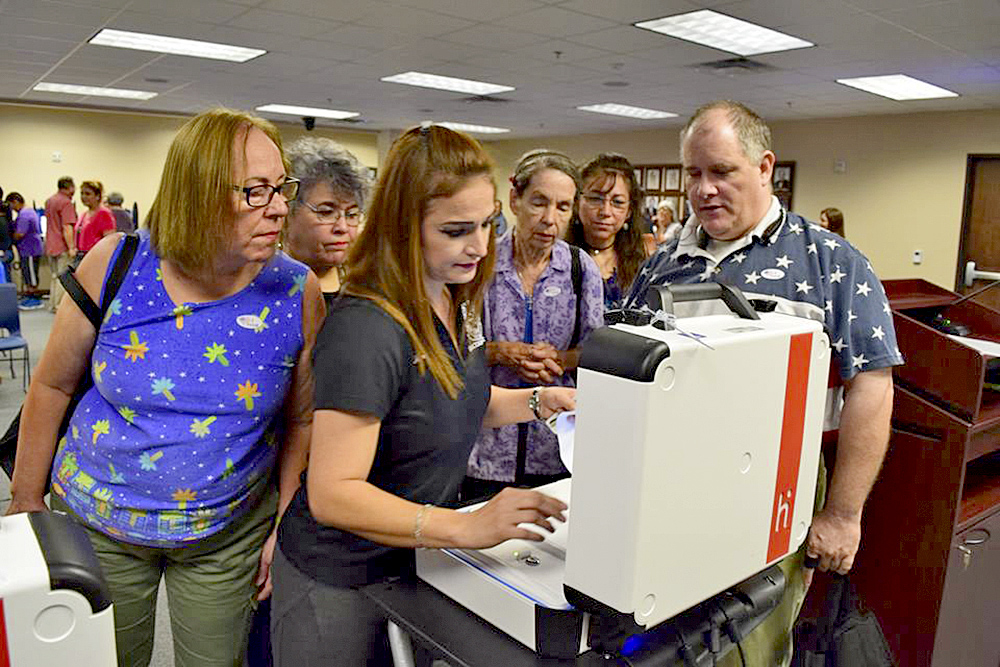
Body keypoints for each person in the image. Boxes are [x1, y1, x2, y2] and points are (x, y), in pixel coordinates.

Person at [6, 108, 324, 667]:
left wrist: (285, 522)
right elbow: (52, 386)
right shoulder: (118, 262)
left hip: (224, 535)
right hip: (98, 523)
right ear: (196, 194)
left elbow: (302, 419)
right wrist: (26, 502)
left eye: (281, 188)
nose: (278, 206)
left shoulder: (296, 290)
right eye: (255, 191)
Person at [271, 125, 574, 667]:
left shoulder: (452, 297)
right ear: (404, 227)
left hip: (410, 560)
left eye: (487, 225)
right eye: (456, 230)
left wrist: (536, 402)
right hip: (340, 572)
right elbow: (334, 493)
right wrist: (465, 527)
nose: (480, 247)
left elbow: (451, 404)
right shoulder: (366, 328)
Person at [624, 100, 901, 667]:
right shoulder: (664, 264)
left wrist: (844, 515)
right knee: (662, 642)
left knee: (747, 647)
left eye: (721, 171)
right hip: (668, 483)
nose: (704, 190)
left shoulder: (829, 261)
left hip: (776, 485)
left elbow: (871, 387)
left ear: (764, 166)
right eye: (693, 174)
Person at [463, 149, 603, 500]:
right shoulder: (481, 264)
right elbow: (455, 353)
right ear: (515, 199)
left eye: (563, 207)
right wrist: (500, 352)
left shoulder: (579, 269)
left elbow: (596, 352)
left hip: (555, 448)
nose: (549, 219)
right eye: (539, 202)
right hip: (485, 451)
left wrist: (559, 359)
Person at [284, 136, 371, 303]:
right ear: (288, 212)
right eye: (326, 212)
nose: (342, 227)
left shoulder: (365, 291)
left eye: (352, 214)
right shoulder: (261, 289)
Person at [567, 153, 656, 310]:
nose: (605, 211)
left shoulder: (644, 260)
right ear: (576, 202)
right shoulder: (557, 258)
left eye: (617, 202)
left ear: (629, 211)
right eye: (595, 198)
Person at [6, 193, 45, 309]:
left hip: (30, 250)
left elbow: (20, 234)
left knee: (30, 274)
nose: (11, 209)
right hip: (29, 249)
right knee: (28, 273)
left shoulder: (24, 215)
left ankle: (34, 299)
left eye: (11, 205)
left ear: (15, 202)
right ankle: (30, 296)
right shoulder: (29, 211)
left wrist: (10, 239)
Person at [44, 176, 77, 312]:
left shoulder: (50, 201)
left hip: (50, 244)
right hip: (62, 245)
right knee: (63, 277)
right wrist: (71, 247)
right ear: (70, 187)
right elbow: (67, 227)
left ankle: (52, 304)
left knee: (54, 276)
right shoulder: (66, 203)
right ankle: (58, 306)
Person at [75, 180, 116, 258]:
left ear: (97, 196)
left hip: (96, 256)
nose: (83, 197)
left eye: (88, 194)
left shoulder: (104, 214)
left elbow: (109, 240)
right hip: (81, 255)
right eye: (82, 193)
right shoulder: (84, 214)